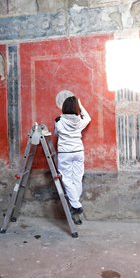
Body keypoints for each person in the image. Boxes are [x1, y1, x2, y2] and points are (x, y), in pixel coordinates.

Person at [54, 96, 91, 224]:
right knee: (77, 178)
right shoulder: (80, 121)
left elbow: (56, 134)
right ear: (76, 108)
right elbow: (88, 118)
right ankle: (75, 205)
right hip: (78, 152)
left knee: (67, 179)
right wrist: (80, 106)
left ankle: (75, 205)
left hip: (65, 153)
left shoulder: (59, 121)